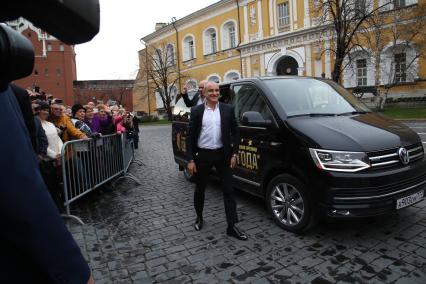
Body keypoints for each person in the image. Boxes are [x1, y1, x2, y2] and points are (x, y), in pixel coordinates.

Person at [186, 81, 247, 241]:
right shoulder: (197, 111)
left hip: (223, 155)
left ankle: (232, 226)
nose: (214, 93)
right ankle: (199, 217)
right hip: (203, 156)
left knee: (229, 190)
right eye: (210, 91)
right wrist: (191, 159)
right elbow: (190, 136)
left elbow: (236, 131)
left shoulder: (227, 109)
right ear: (204, 93)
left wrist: (234, 153)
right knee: (200, 189)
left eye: (216, 90)